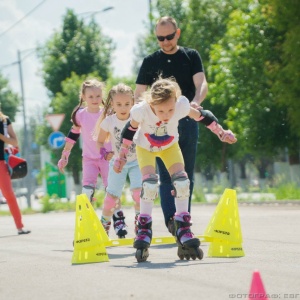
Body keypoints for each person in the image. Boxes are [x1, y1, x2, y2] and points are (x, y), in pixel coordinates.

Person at [114, 78, 236, 262]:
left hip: (170, 146)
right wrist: (122, 156)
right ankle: (144, 227)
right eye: (160, 110)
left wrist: (222, 132)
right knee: (149, 184)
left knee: (182, 181)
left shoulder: (181, 105)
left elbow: (202, 116)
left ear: (176, 101)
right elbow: (129, 131)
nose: (166, 114)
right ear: (151, 103)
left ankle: (183, 225)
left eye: (170, 110)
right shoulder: (141, 111)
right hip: (145, 148)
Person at [134, 16, 208, 233]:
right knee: (165, 176)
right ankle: (171, 222)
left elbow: (201, 82)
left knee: (185, 175)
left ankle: (184, 220)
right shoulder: (150, 61)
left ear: (178, 33)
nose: (165, 42)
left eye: (169, 37)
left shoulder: (190, 56)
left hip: (188, 119)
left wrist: (196, 102)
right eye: (160, 38)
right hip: (159, 126)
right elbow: (139, 93)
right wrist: (145, 115)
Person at [94, 83, 141, 238]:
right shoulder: (109, 121)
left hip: (137, 162)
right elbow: (99, 141)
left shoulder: (138, 119)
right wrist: (104, 152)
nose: (123, 108)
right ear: (112, 104)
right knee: (111, 199)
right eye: (119, 104)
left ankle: (141, 226)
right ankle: (103, 228)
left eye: (127, 104)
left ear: (133, 103)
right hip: (117, 163)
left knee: (138, 194)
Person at [57, 78, 112, 202]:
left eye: (98, 96)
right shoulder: (80, 115)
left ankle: (116, 217)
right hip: (89, 158)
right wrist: (65, 155)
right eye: (91, 96)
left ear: (102, 96)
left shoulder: (108, 113)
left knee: (111, 189)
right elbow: (72, 136)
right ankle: (88, 219)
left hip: (107, 157)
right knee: (87, 191)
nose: (95, 99)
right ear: (83, 96)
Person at [0, 107, 30, 235]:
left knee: (9, 195)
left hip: (1, 163)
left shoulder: (4, 121)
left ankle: (20, 226)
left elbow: (15, 141)